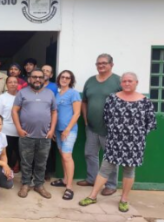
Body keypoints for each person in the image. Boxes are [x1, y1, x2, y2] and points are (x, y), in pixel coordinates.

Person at [79, 72, 156, 212]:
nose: (127, 83)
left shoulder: (145, 101)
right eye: (124, 81)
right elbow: (107, 118)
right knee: (105, 169)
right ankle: (92, 196)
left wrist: (134, 136)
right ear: (120, 83)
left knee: (129, 171)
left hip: (134, 144)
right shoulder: (112, 99)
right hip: (114, 141)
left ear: (136, 82)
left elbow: (150, 123)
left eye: (130, 81)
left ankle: (124, 199)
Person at [77, 54, 122, 196]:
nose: (101, 65)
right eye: (98, 63)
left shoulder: (118, 81)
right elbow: (84, 101)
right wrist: (85, 119)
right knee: (90, 153)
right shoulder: (90, 81)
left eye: (104, 63)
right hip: (91, 126)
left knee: (111, 157)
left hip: (111, 128)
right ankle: (92, 179)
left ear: (111, 65)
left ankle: (110, 185)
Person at [12, 69, 57, 199]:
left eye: (40, 77)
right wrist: (19, 128)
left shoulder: (49, 93)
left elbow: (54, 112)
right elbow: (14, 111)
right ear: (29, 79)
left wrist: (52, 129)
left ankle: (39, 185)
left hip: (44, 136)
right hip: (26, 135)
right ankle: (25, 184)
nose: (37, 79)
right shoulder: (22, 93)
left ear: (44, 79)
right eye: (34, 77)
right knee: (26, 162)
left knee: (41, 162)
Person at [50, 70, 81, 200]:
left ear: (71, 80)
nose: (64, 79)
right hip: (58, 130)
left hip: (69, 130)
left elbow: (77, 113)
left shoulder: (74, 93)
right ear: (59, 79)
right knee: (63, 155)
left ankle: (69, 187)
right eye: (62, 77)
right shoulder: (57, 94)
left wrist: (68, 129)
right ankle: (64, 180)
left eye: (67, 78)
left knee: (67, 156)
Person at [0, 76, 20, 171]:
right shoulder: (2, 98)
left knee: (20, 154)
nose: (13, 84)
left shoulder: (21, 96)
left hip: (19, 131)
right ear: (6, 84)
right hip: (5, 132)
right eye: (10, 82)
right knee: (5, 154)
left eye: (15, 82)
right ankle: (4, 173)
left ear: (18, 84)